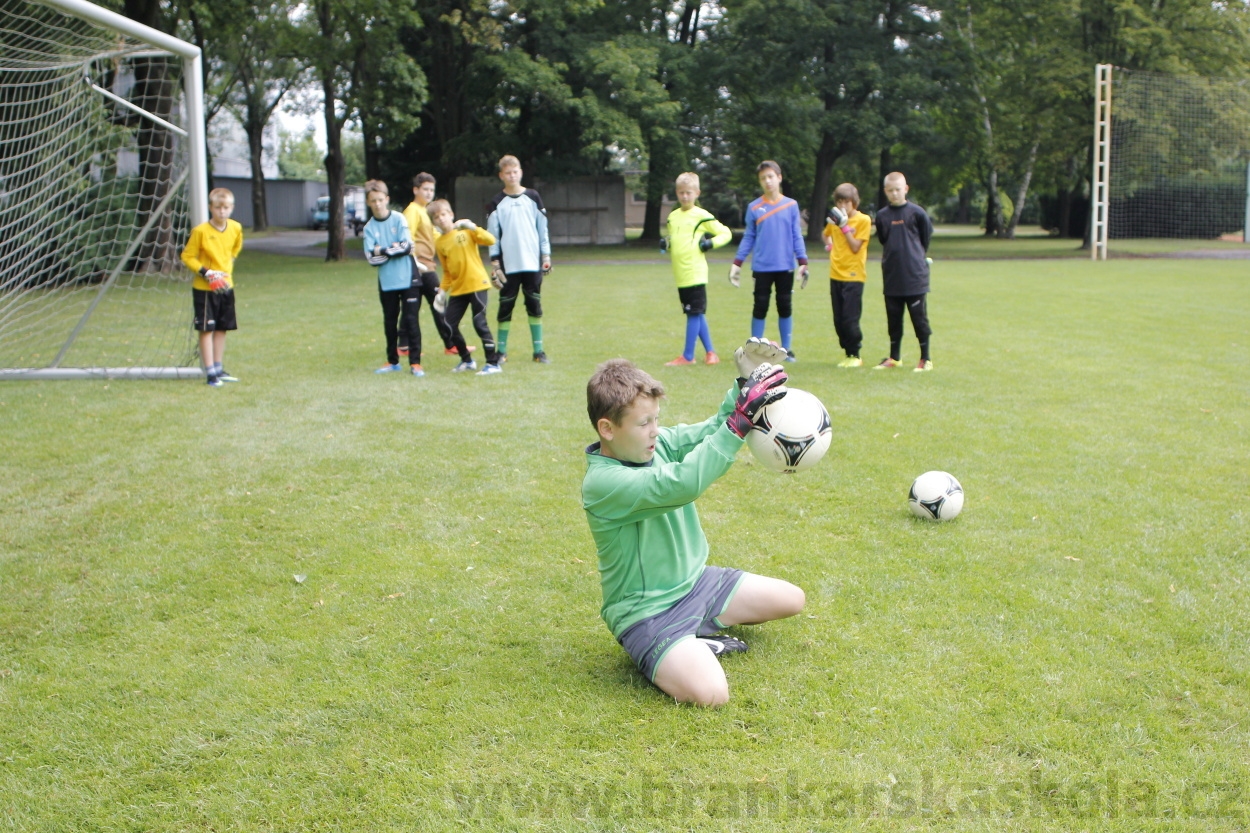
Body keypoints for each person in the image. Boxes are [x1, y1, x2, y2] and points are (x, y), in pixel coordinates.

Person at [581, 339, 807, 706]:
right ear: (607, 429)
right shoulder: (604, 484)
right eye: (643, 423)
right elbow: (681, 483)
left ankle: (697, 634)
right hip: (647, 613)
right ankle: (684, 647)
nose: (655, 430)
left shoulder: (657, 444)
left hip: (697, 584)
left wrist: (743, 384)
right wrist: (738, 424)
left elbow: (711, 430)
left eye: (656, 418)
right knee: (712, 694)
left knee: (792, 599)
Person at [729, 161, 809, 362]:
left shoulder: (790, 205)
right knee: (760, 305)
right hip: (762, 266)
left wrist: (802, 261)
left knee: (785, 306)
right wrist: (737, 263)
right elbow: (749, 237)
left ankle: (787, 349)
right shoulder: (754, 207)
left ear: (779, 178)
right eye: (763, 178)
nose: (767, 181)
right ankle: (753, 349)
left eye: (771, 176)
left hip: (785, 266)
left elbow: (796, 234)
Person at [661, 172, 733, 367]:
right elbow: (676, 241)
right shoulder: (672, 217)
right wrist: (666, 244)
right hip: (680, 274)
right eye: (681, 192)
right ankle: (711, 353)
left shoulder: (701, 215)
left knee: (693, 313)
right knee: (697, 313)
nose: (685, 196)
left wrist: (709, 244)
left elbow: (725, 233)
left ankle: (688, 355)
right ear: (676, 193)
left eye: (689, 193)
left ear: (697, 193)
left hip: (695, 273)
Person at [486, 155, 552, 364]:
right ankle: (501, 352)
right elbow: (492, 237)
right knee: (505, 307)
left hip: (532, 263)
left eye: (515, 171)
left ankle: (538, 352)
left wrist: (546, 255)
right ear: (501, 175)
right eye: (507, 172)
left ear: (521, 172)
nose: (512, 175)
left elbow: (543, 230)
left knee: (534, 305)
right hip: (508, 265)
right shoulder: (496, 203)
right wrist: (495, 263)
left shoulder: (533, 197)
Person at [428, 199, 503, 376]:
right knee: (448, 324)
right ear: (434, 221)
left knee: (479, 322)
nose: (441, 219)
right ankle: (467, 360)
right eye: (436, 217)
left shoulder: (465, 231)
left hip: (477, 284)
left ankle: (493, 363)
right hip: (459, 289)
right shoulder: (440, 243)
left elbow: (490, 240)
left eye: (444, 215)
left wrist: (472, 227)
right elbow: (447, 271)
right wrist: (441, 291)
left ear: (451, 214)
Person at [872, 171, 935, 372]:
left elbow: (925, 238)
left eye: (898, 189)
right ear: (885, 192)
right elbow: (884, 239)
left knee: (919, 318)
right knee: (894, 319)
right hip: (892, 276)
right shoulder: (882, 216)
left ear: (905, 189)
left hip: (914, 276)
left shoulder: (917, 213)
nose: (895, 194)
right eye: (890, 191)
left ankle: (925, 359)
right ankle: (894, 357)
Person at [181, 187, 244, 387]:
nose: (222, 211)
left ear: (231, 208)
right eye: (218, 207)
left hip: (225, 286)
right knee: (207, 329)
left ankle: (218, 368)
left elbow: (236, 247)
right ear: (211, 208)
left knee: (222, 328)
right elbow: (187, 256)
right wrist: (207, 273)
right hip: (205, 289)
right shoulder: (200, 232)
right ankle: (210, 373)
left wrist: (229, 263)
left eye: (226, 207)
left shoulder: (236, 228)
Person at [363, 180, 423, 376]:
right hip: (387, 282)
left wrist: (382, 249)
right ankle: (392, 361)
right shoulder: (369, 228)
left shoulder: (398, 219)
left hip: (409, 278)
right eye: (373, 201)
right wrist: (393, 249)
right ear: (368, 202)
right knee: (390, 322)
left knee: (411, 320)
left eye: (380, 200)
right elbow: (372, 259)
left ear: (387, 199)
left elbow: (407, 246)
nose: (378, 204)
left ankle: (415, 363)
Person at [401, 172, 463, 360]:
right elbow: (406, 236)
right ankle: (451, 343)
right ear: (416, 190)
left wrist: (450, 240)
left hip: (425, 264)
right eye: (425, 189)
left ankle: (403, 345)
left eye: (431, 190)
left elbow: (433, 236)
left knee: (413, 305)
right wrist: (414, 261)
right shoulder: (413, 210)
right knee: (438, 302)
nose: (429, 193)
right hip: (419, 266)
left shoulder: (426, 211)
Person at [821, 182, 873, 367]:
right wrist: (829, 244)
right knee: (838, 320)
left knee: (850, 319)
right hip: (836, 273)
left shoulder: (863, 220)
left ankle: (855, 354)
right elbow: (825, 233)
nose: (843, 206)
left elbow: (856, 246)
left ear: (854, 202)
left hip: (854, 275)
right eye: (840, 202)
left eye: (847, 202)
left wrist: (844, 227)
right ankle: (847, 353)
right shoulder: (835, 219)